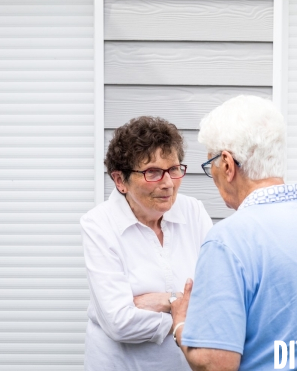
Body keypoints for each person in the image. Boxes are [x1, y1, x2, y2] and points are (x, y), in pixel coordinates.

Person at [170, 95, 297, 370]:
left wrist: (181, 323)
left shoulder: (227, 240)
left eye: (210, 164)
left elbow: (215, 363)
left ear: (227, 164)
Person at [80, 116, 213, 371]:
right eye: (152, 172)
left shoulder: (193, 212)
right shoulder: (99, 225)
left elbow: (216, 297)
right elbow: (118, 322)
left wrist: (163, 301)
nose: (167, 184)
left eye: (174, 169)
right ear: (120, 181)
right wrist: (180, 309)